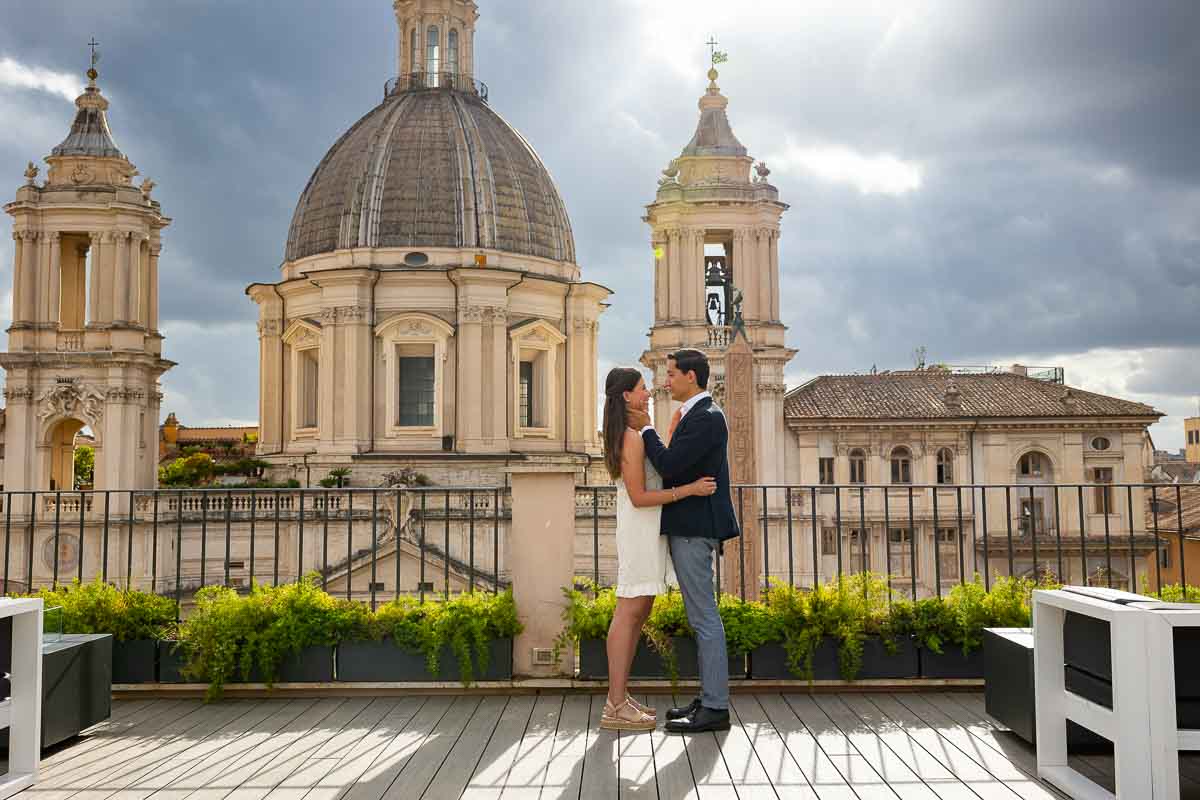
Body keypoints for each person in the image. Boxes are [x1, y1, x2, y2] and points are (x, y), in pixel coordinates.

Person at [626, 349, 740, 734]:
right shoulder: (698, 415)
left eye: (672, 374)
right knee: (701, 616)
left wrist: (645, 429)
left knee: (704, 617)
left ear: (691, 377)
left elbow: (671, 465)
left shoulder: (706, 417)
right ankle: (710, 697)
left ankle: (715, 707)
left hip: (694, 528)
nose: (665, 380)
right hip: (690, 524)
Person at [599, 367, 717, 732]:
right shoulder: (631, 439)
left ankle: (620, 697)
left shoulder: (633, 434)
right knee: (628, 611)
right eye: (641, 388)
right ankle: (614, 704)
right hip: (640, 531)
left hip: (649, 531)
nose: (648, 392)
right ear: (626, 397)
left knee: (638, 612)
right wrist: (690, 490)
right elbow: (638, 496)